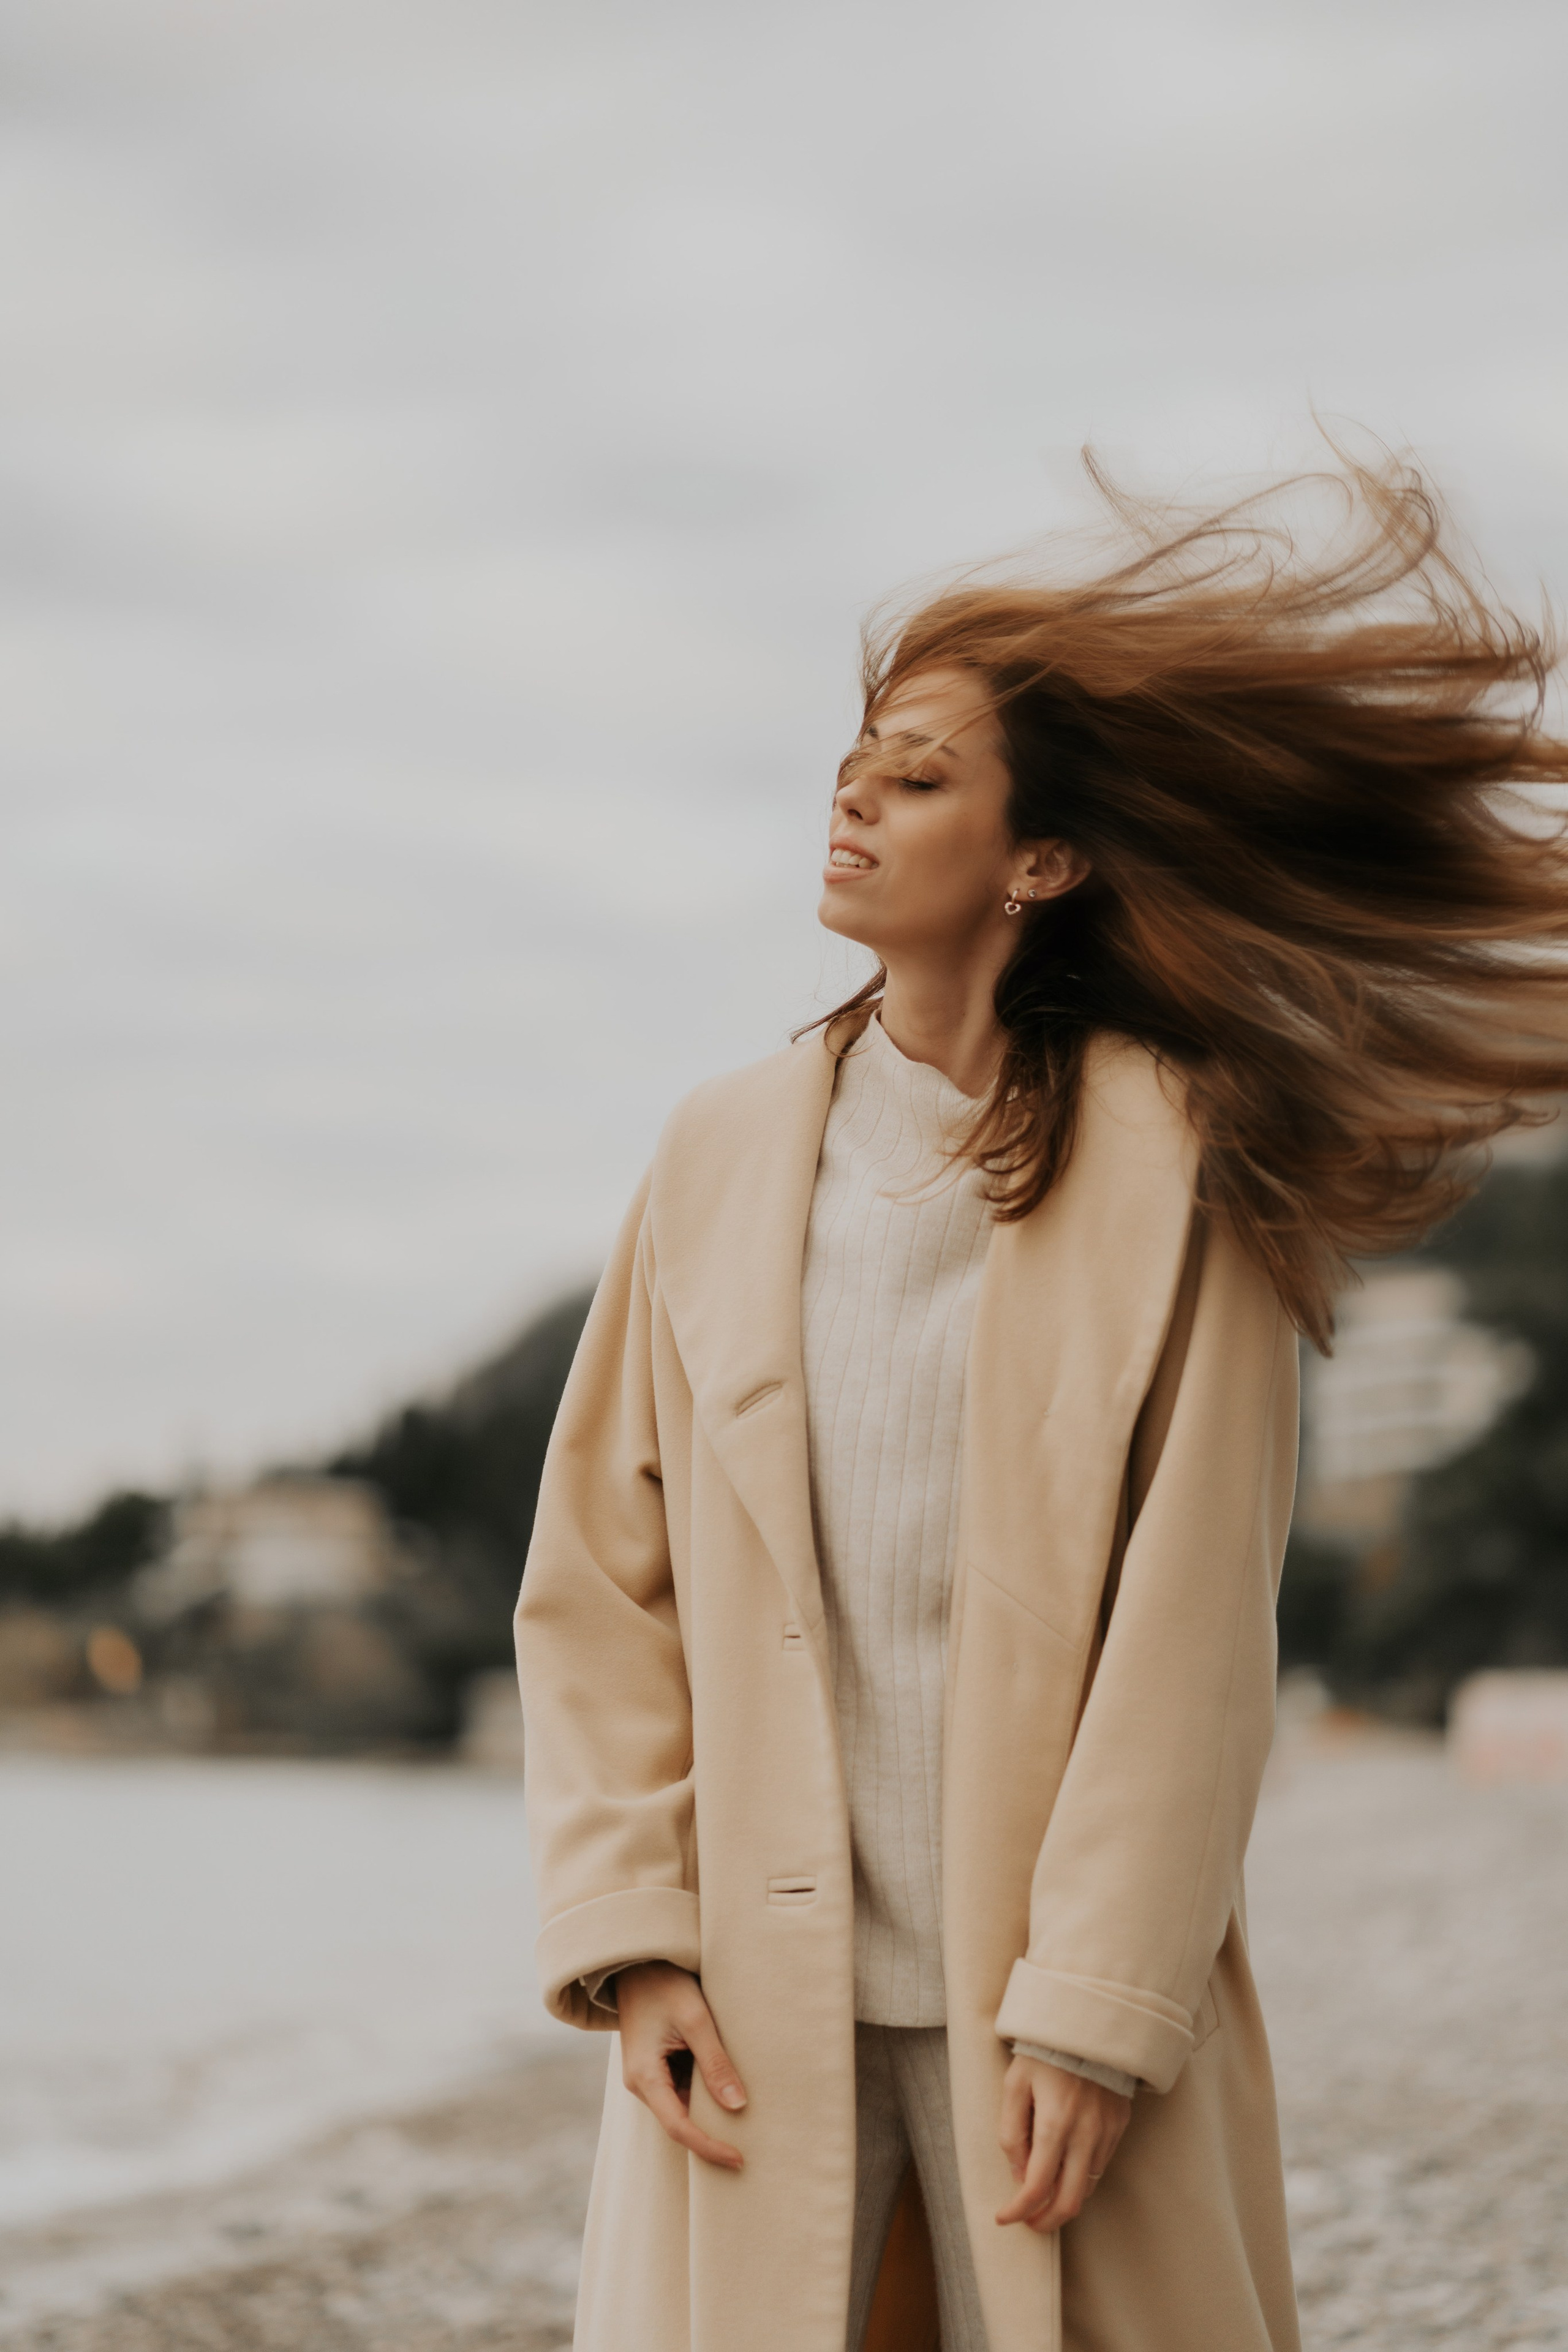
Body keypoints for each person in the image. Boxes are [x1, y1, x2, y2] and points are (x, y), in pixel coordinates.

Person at [514, 453, 1568, 2352]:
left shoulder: (1181, 1160)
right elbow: (601, 1581)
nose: (849, 792)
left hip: (1046, 2023)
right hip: (749, 2013)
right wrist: (631, 1942)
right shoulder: (719, 1153)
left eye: (916, 774)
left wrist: (1102, 2006)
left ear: (1042, 858)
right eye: (856, 756)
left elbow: (1197, 1636)